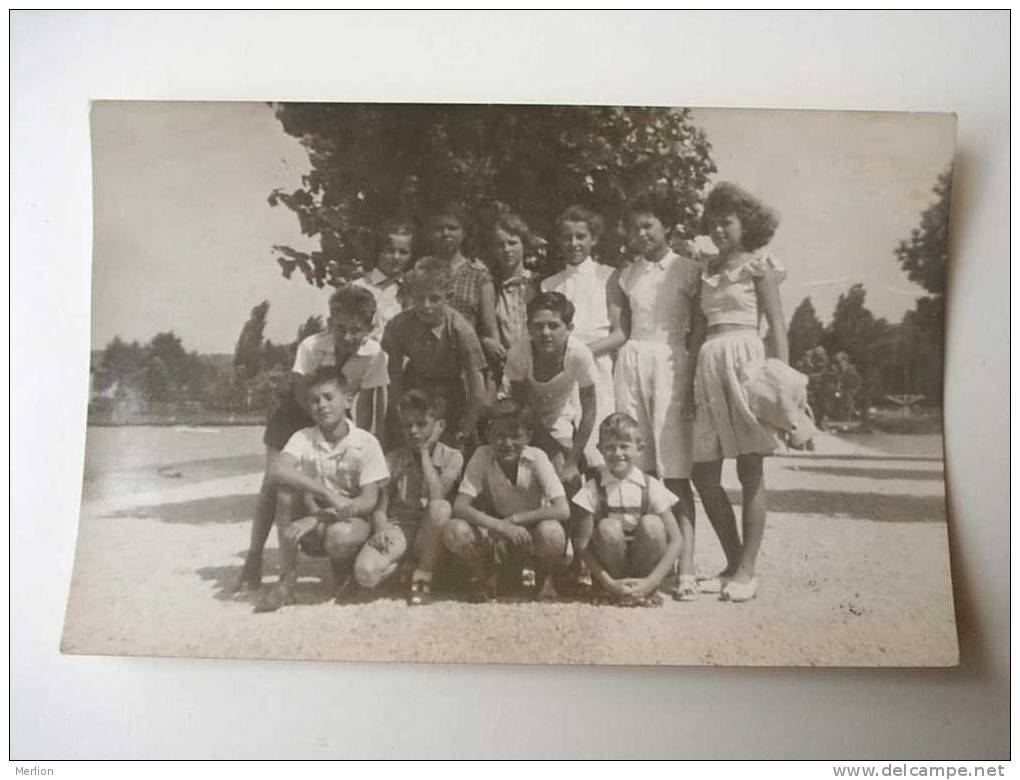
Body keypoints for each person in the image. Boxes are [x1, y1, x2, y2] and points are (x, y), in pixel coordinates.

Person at [232, 284, 389, 592]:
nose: (346, 337)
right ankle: (254, 559)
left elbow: (370, 403)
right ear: (331, 321)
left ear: (369, 329)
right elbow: (303, 394)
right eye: (340, 328)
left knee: (342, 481)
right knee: (274, 485)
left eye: (355, 330)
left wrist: (366, 440)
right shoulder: (311, 346)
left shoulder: (375, 356)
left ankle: (340, 558)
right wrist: (319, 433)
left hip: (336, 414)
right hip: (297, 413)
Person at [687, 181, 788, 603]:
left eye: (726, 222)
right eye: (713, 224)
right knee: (703, 472)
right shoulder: (705, 270)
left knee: (750, 470)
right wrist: (689, 385)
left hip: (747, 361)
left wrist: (781, 384)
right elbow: (695, 334)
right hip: (709, 363)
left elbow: (778, 329)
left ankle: (747, 570)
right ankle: (731, 562)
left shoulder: (759, 266)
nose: (719, 230)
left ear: (746, 224)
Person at [608, 190, 699, 596]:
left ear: (668, 228)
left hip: (670, 363)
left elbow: (698, 330)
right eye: (634, 227)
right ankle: (648, 559)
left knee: (674, 470)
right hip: (632, 361)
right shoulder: (626, 274)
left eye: (649, 225)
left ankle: (688, 568)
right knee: (637, 464)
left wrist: (692, 377)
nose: (641, 233)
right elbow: (622, 330)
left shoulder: (689, 269)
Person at [255, 366, 389, 612]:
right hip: (313, 524)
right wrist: (326, 494)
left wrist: (318, 517)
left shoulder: (366, 442)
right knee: (284, 491)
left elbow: (369, 500)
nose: (321, 405)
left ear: (348, 400)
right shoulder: (303, 437)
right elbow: (276, 470)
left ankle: (345, 567)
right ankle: (287, 578)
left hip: (350, 525)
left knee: (339, 536)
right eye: (314, 400)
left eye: (329, 397)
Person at [444, 399, 571, 602]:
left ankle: (544, 578)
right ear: (488, 436)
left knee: (553, 532)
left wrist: (516, 520)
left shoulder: (537, 457)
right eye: (500, 436)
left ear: (528, 435)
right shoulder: (482, 455)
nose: (508, 444)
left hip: (531, 532)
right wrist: (502, 526)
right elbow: (460, 506)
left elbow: (562, 509)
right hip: (498, 532)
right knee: (455, 530)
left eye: (516, 436)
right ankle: (487, 575)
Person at [573, 413, 684, 606]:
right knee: (607, 527)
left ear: (640, 449)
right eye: (609, 447)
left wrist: (652, 581)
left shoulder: (651, 486)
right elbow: (581, 545)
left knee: (653, 524)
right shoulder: (593, 487)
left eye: (624, 446)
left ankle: (643, 589)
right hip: (611, 571)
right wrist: (608, 583)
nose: (617, 453)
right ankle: (615, 591)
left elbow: (676, 540)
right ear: (599, 449)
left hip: (646, 569)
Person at [381, 257, 488, 450]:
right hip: (412, 387)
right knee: (401, 446)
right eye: (419, 298)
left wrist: (468, 424)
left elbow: (478, 388)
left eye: (434, 298)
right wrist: (398, 416)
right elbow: (393, 378)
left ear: (448, 295)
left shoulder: (461, 329)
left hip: (450, 393)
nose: (426, 306)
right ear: (411, 294)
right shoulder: (399, 326)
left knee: (450, 450)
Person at [540, 205, 618, 465]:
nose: (573, 243)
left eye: (581, 237)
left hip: (596, 368)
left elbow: (620, 333)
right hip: (560, 372)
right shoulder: (549, 284)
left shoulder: (608, 276)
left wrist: (582, 354)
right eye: (567, 237)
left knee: (598, 446)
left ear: (593, 239)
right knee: (561, 442)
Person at [371, 389, 463, 606]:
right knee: (366, 574)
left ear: (438, 426)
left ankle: (423, 575)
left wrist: (424, 452)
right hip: (402, 528)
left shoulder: (452, 457)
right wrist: (380, 529)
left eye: (421, 424)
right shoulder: (393, 459)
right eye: (407, 425)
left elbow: (437, 496)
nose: (413, 431)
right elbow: (381, 508)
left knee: (440, 508)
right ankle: (403, 567)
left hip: (433, 533)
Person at [505, 291, 596, 492]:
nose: (545, 332)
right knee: (529, 476)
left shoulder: (580, 355)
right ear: (529, 328)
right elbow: (522, 408)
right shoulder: (518, 354)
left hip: (558, 414)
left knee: (570, 477)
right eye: (538, 326)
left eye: (553, 326)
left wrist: (571, 461)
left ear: (569, 328)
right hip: (521, 417)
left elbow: (589, 411)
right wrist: (553, 451)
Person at [417, 202, 501, 365]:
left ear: (464, 233)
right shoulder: (420, 271)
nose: (445, 233)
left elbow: (490, 328)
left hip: (467, 361)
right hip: (425, 361)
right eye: (439, 228)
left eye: (452, 228)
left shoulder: (479, 275)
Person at [489, 210, 537, 387]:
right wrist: (486, 340)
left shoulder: (540, 283)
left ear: (524, 245)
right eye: (500, 244)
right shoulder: (490, 287)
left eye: (512, 243)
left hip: (537, 368)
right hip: (503, 371)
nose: (506, 249)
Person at [353, 218, 415, 338]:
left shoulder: (411, 291)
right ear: (379, 251)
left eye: (403, 252)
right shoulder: (357, 288)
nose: (396, 257)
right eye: (390, 251)